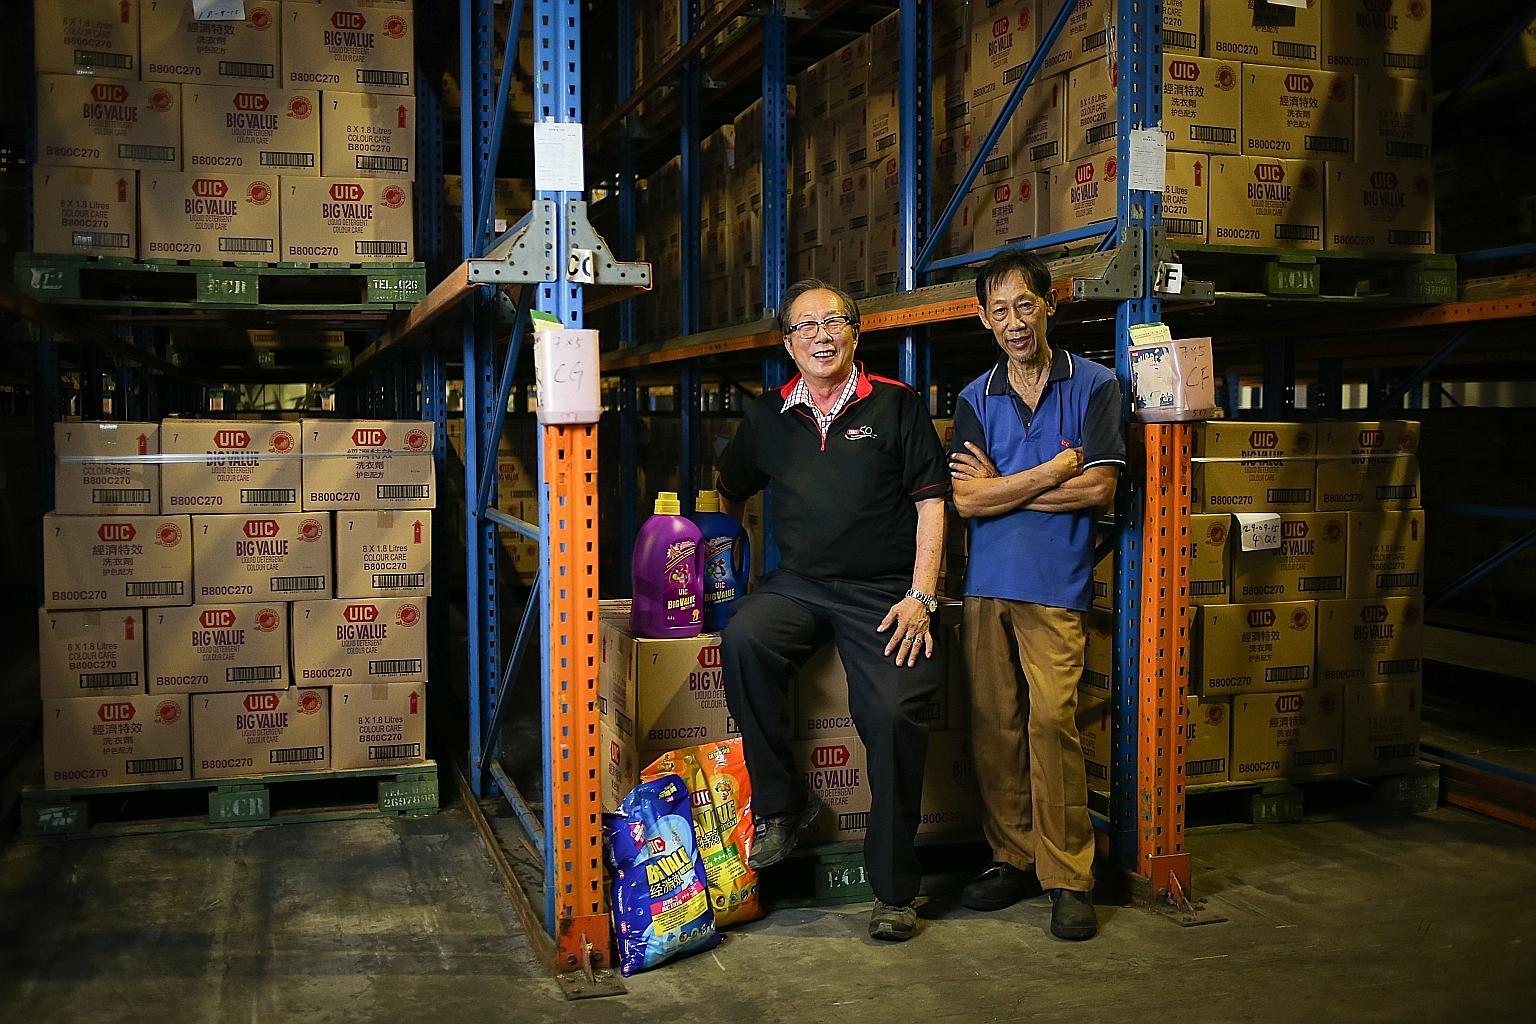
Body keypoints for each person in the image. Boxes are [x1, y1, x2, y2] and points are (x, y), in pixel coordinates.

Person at [714, 278, 949, 943]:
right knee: (745, 636)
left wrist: (921, 595)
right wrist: (738, 571)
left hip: (884, 590)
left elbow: (933, 504)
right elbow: (729, 487)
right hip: (800, 583)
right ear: (787, 343)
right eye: (805, 326)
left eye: (834, 321)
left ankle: (894, 891)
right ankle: (783, 805)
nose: (821, 336)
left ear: (855, 332)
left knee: (893, 714)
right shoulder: (768, 416)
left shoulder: (897, 405)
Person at [947, 249, 1125, 941]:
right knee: (994, 728)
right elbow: (966, 500)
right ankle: (1012, 857)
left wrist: (1001, 488)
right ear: (983, 319)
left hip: (1055, 587)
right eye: (999, 310)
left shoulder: (1096, 386)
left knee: (1052, 723)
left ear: (1051, 304)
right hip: (986, 585)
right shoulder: (974, 397)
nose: (1014, 322)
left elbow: (1099, 487)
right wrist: (1053, 470)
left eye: (1026, 305)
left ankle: (1069, 876)